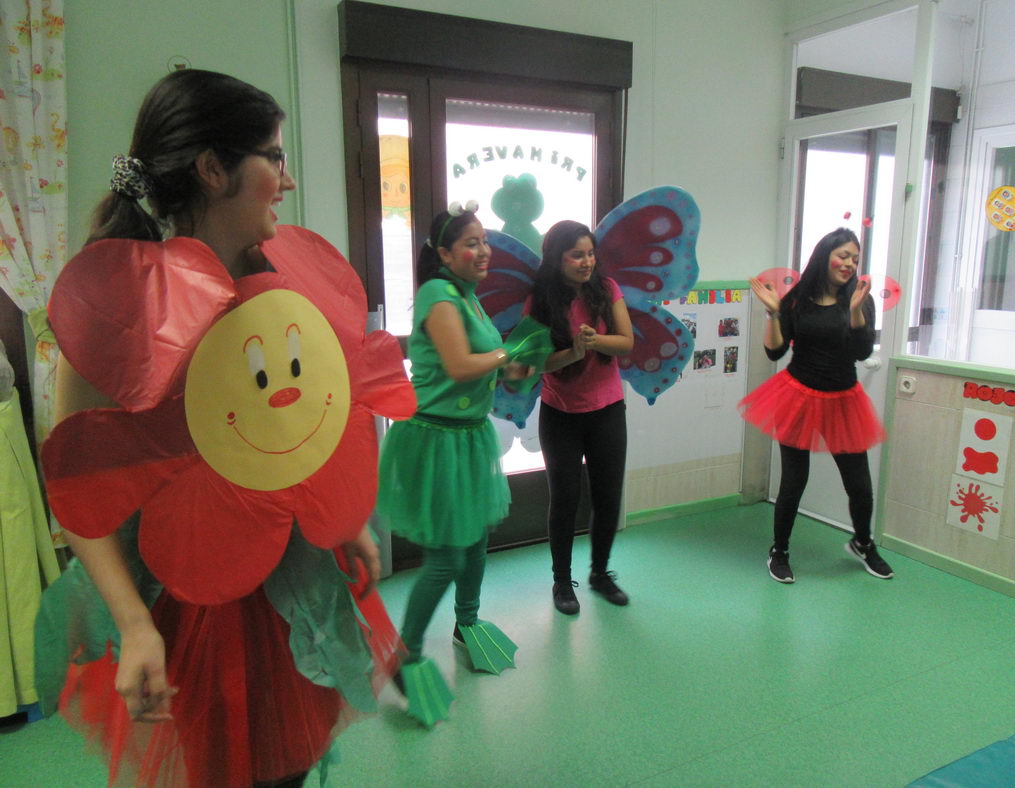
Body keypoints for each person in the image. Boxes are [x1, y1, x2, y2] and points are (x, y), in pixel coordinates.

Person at [35, 70, 412, 788]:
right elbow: (77, 484)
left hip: (292, 587)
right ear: (214, 169)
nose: (288, 179)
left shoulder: (284, 285)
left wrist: (337, 523)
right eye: (273, 156)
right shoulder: (120, 305)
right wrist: (136, 625)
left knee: (288, 768)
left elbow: (301, 423)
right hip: (197, 603)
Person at [376, 203, 533, 727]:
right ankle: (407, 654)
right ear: (444, 254)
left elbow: (489, 369)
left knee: (477, 542)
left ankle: (468, 626)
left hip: (468, 438)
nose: (482, 250)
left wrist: (517, 369)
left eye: (484, 240)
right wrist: (504, 357)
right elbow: (462, 364)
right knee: (446, 557)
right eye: (470, 242)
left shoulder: (469, 297)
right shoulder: (436, 294)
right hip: (435, 439)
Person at [740, 227, 893, 584]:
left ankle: (863, 543)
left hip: (843, 399)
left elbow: (860, 352)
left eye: (855, 258)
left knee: (859, 484)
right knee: (794, 479)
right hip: (799, 395)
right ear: (825, 255)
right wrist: (774, 314)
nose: (849, 263)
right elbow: (775, 352)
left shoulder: (860, 297)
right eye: (843, 255)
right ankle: (779, 550)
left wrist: (855, 312)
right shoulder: (798, 299)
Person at [528, 220, 634, 615]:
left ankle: (600, 573)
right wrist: (572, 353)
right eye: (577, 254)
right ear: (557, 258)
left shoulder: (606, 290)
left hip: (607, 410)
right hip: (560, 414)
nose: (586, 261)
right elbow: (536, 359)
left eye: (590, 253)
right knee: (565, 499)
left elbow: (626, 341)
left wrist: (593, 341)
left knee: (608, 496)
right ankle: (562, 581)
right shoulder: (539, 300)